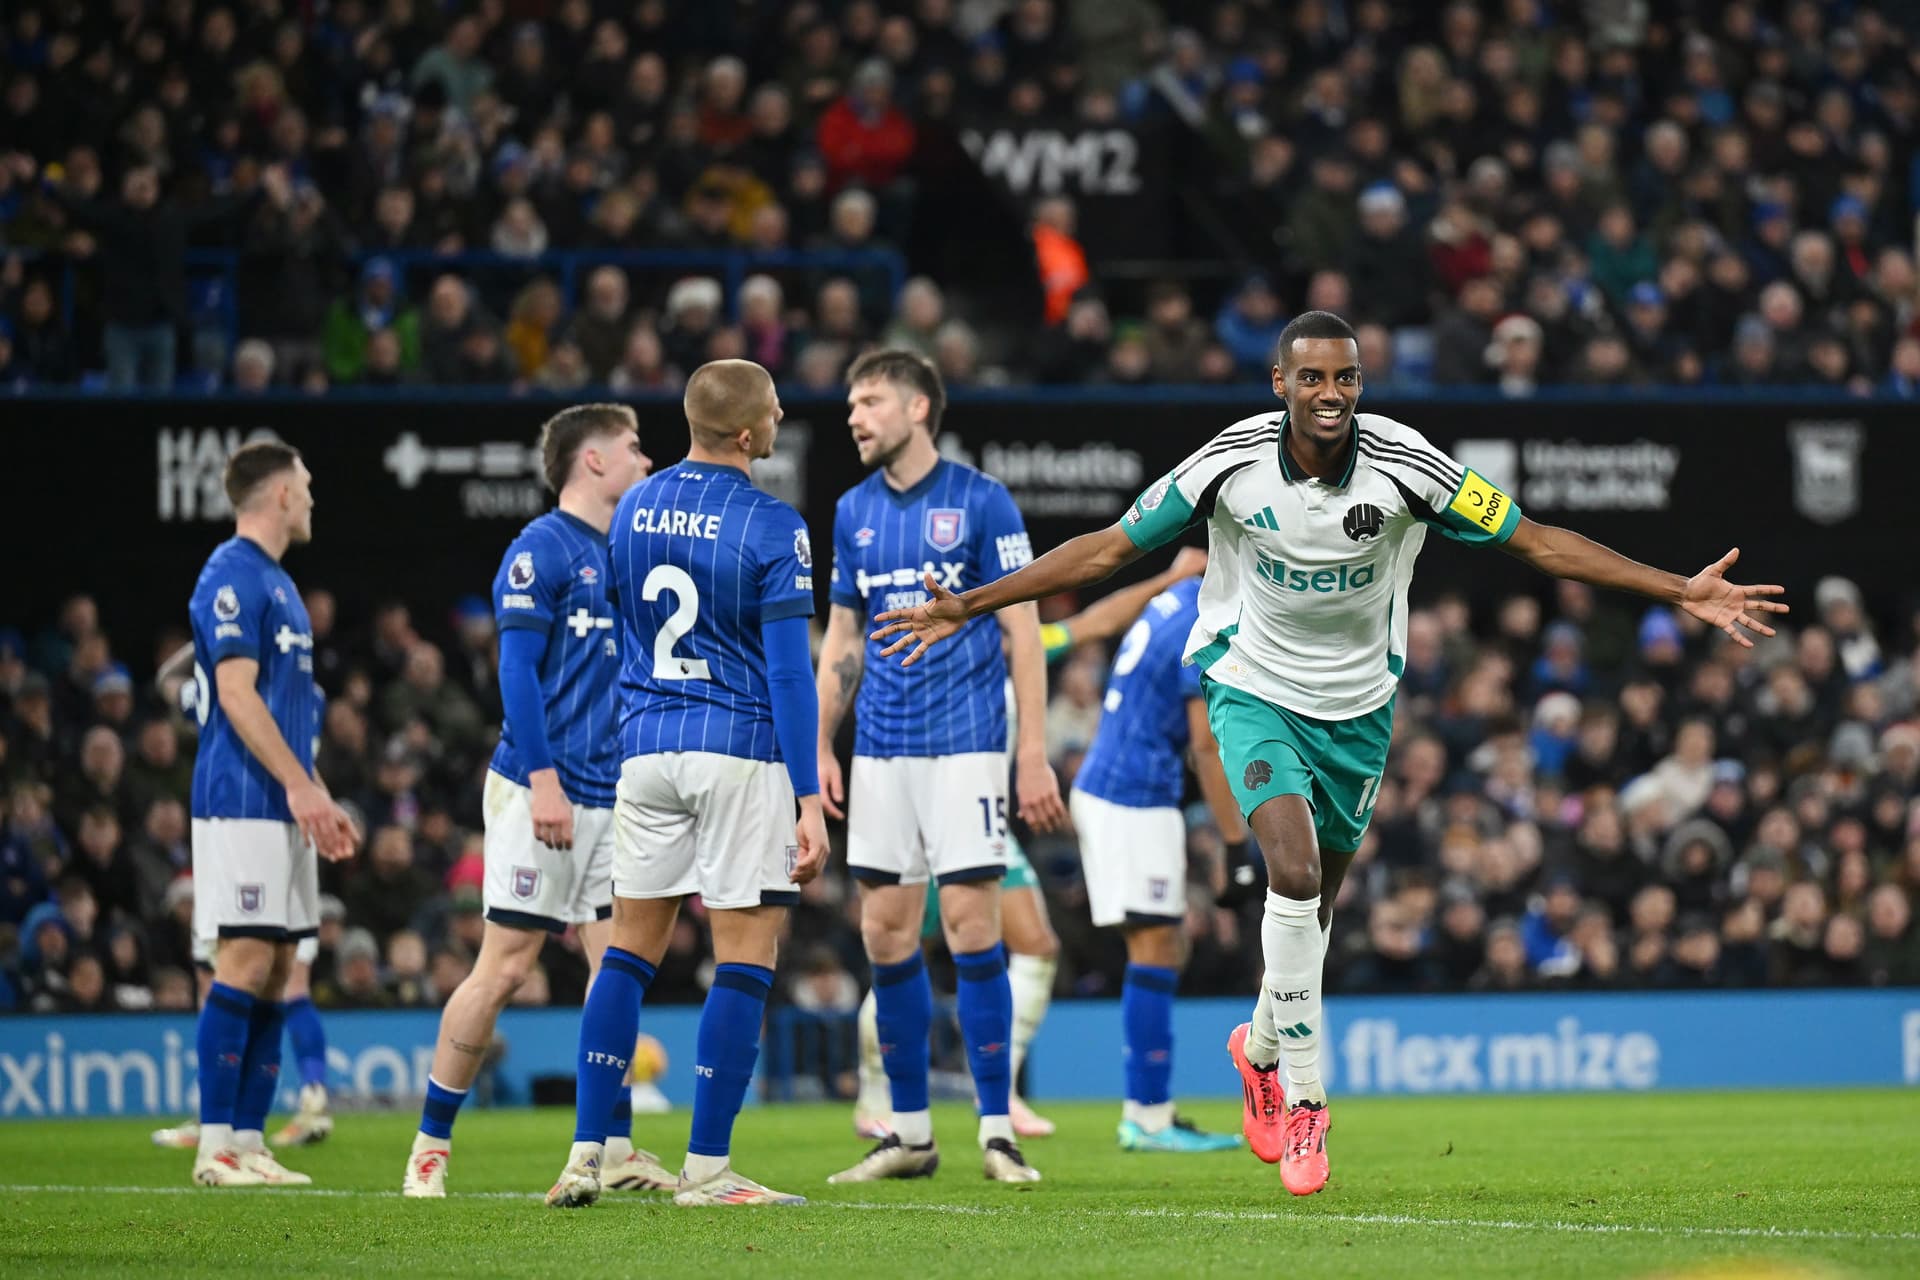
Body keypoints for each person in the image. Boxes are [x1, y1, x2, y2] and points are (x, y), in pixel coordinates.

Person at [871, 311, 1788, 1197]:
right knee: (1295, 873)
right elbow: (1107, 549)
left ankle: (1260, 1050)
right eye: (1311, 377)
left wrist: (1678, 590)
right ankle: (1308, 1104)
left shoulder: (1408, 466)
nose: (1330, 392)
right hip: (1249, 688)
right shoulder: (1227, 465)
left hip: (1358, 711)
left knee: (1312, 914)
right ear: (1280, 384)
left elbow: (1538, 540)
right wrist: (972, 603)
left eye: (1345, 377)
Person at [544, 360, 826, 1209]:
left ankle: (588, 1152)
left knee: (627, 951)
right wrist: (809, 796)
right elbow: (789, 674)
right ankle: (705, 1168)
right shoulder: (776, 526)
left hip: (647, 749)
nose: (780, 415)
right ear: (747, 433)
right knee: (745, 955)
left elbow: (632, 624)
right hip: (737, 747)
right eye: (773, 408)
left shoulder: (631, 507)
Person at [847, 549, 1207, 1143]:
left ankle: (999, 1089)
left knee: (1036, 943)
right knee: (901, 946)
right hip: (928, 816)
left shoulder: (1025, 646)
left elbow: (1099, 621)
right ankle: (874, 1093)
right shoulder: (942, 656)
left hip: (982, 820)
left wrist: (1169, 578)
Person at [815, 349, 1067, 1187]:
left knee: (971, 930)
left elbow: (1022, 631)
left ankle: (998, 1130)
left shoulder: (981, 501)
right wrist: (819, 745)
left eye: (871, 401)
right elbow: (843, 642)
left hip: (964, 747)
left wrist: (1029, 751)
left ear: (918, 407)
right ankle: (911, 1136)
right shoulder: (850, 510)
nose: (855, 416)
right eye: (852, 403)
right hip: (881, 752)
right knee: (884, 935)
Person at [402, 405, 656, 1199]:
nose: (646, 463)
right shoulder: (539, 549)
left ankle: (612, 1149)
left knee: (615, 967)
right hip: (539, 787)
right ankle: (430, 1149)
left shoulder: (625, 555)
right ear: (591, 462)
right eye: (633, 448)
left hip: (612, 794)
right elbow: (516, 671)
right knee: (505, 968)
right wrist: (543, 779)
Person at [185, 441, 359, 1186]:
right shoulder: (230, 574)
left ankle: (249, 1141)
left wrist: (315, 792)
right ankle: (215, 1144)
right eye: (308, 485)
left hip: (283, 802)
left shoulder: (279, 583)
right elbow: (235, 695)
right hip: (242, 801)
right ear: (280, 494)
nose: (314, 496)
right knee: (247, 959)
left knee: (281, 964)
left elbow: (284, 718)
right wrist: (298, 786)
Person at [1070, 563, 1248, 1154]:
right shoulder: (1208, 624)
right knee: (1155, 948)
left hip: (1125, 790)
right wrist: (1234, 843)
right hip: (1132, 797)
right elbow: (1205, 745)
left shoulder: (1179, 595)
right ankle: (1147, 1118)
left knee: (1163, 946)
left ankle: (1149, 1110)